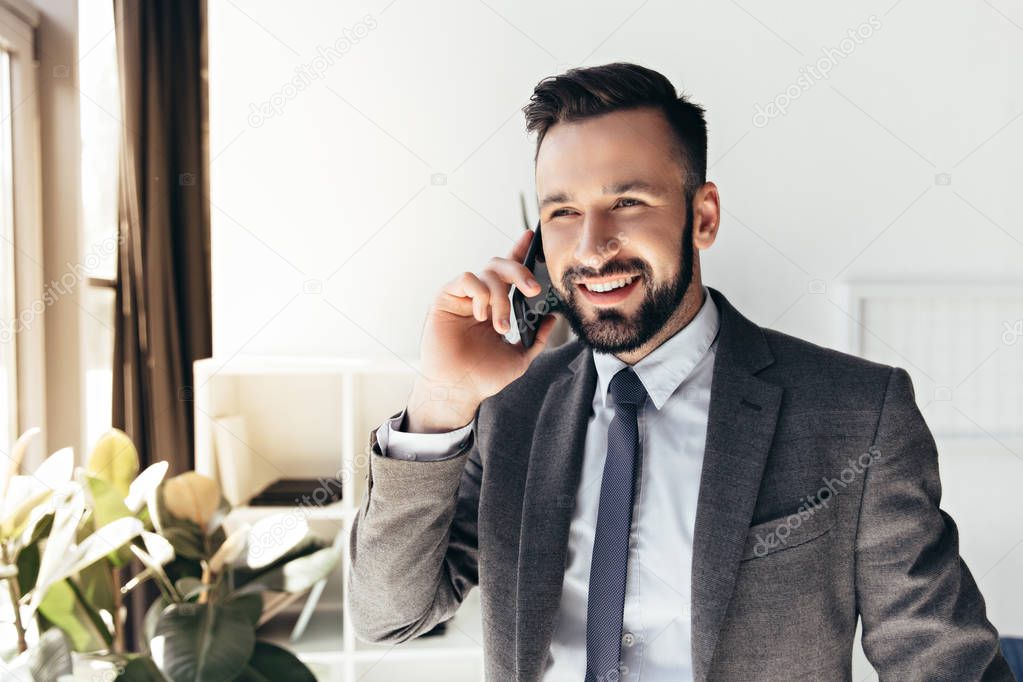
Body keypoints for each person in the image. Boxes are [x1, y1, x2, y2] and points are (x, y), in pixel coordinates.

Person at [347, 62, 1012, 681]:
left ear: (702, 216)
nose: (590, 247)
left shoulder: (856, 413)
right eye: (562, 212)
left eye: (628, 201)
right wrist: (441, 398)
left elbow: (942, 661)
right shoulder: (510, 410)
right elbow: (388, 615)